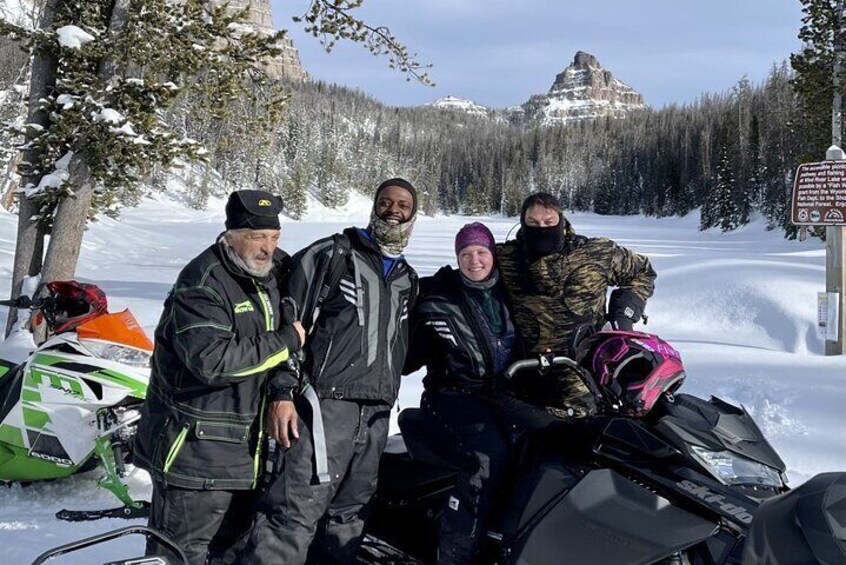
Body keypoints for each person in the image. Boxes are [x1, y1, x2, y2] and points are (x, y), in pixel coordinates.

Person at [243, 178, 420, 565]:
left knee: (349, 519)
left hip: (375, 415)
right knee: (292, 513)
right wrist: (281, 392)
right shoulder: (333, 253)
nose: (394, 209)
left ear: (414, 213)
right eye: (386, 202)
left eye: (403, 204)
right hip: (320, 409)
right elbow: (287, 326)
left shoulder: (408, 279)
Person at [134, 190, 305, 565]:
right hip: (195, 452)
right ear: (231, 236)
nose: (268, 249)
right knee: (179, 554)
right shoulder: (202, 282)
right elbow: (212, 360)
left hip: (248, 452)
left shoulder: (274, 274)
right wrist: (286, 340)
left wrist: (282, 390)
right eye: (257, 237)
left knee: (230, 552)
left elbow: (281, 349)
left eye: (274, 238)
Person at [404, 222, 557, 564]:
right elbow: (404, 351)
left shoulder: (510, 294)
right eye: (466, 254)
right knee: (487, 458)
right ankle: (456, 552)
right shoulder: (437, 295)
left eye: (481, 252)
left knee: (546, 444)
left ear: (493, 255)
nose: (474, 261)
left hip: (502, 395)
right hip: (451, 397)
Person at [497, 191, 657, 416]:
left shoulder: (595, 253)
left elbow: (642, 271)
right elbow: (473, 268)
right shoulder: (506, 258)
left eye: (548, 222)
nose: (541, 228)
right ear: (522, 225)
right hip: (524, 369)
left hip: (587, 370)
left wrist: (624, 316)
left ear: (561, 221)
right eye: (533, 223)